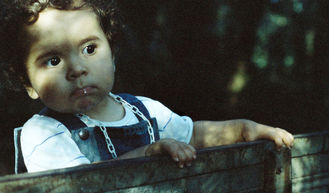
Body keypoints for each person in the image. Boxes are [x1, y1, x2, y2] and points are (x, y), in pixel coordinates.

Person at [1, 0, 294, 173]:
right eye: (53, 60)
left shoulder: (144, 110)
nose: (77, 68)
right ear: (28, 83)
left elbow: (194, 135)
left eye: (89, 49)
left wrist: (243, 130)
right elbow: (79, 189)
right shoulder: (43, 132)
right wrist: (147, 155)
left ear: (112, 55)